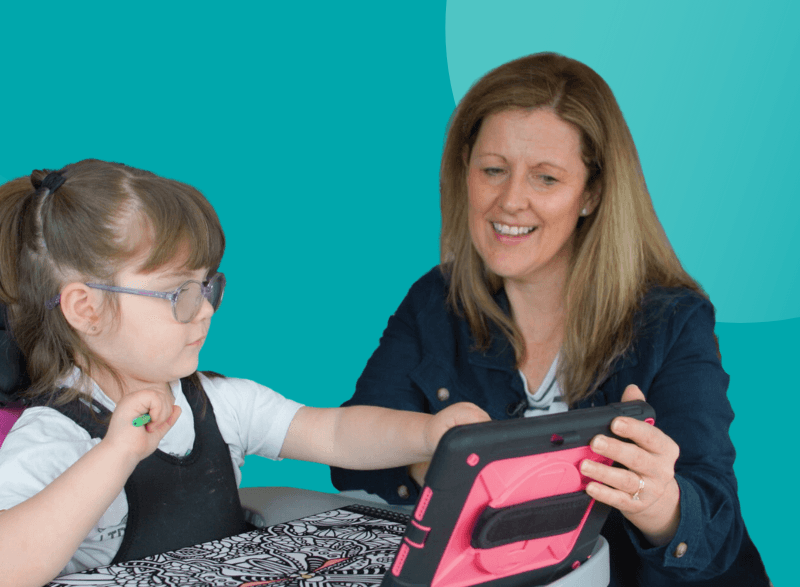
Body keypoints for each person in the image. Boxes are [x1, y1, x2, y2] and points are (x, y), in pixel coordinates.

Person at [330, 53, 769, 586]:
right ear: (464, 170)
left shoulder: (673, 320)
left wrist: (659, 502)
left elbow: (714, 533)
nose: (510, 201)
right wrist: (451, 468)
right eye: (493, 170)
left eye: (545, 178)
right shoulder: (435, 300)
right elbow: (352, 457)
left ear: (592, 193)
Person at [0, 159, 487, 587]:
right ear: (86, 309)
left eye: (207, 286)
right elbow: (4, 570)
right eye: (179, 294)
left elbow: (332, 431)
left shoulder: (221, 404)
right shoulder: (56, 435)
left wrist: (430, 433)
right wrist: (116, 452)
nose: (205, 310)